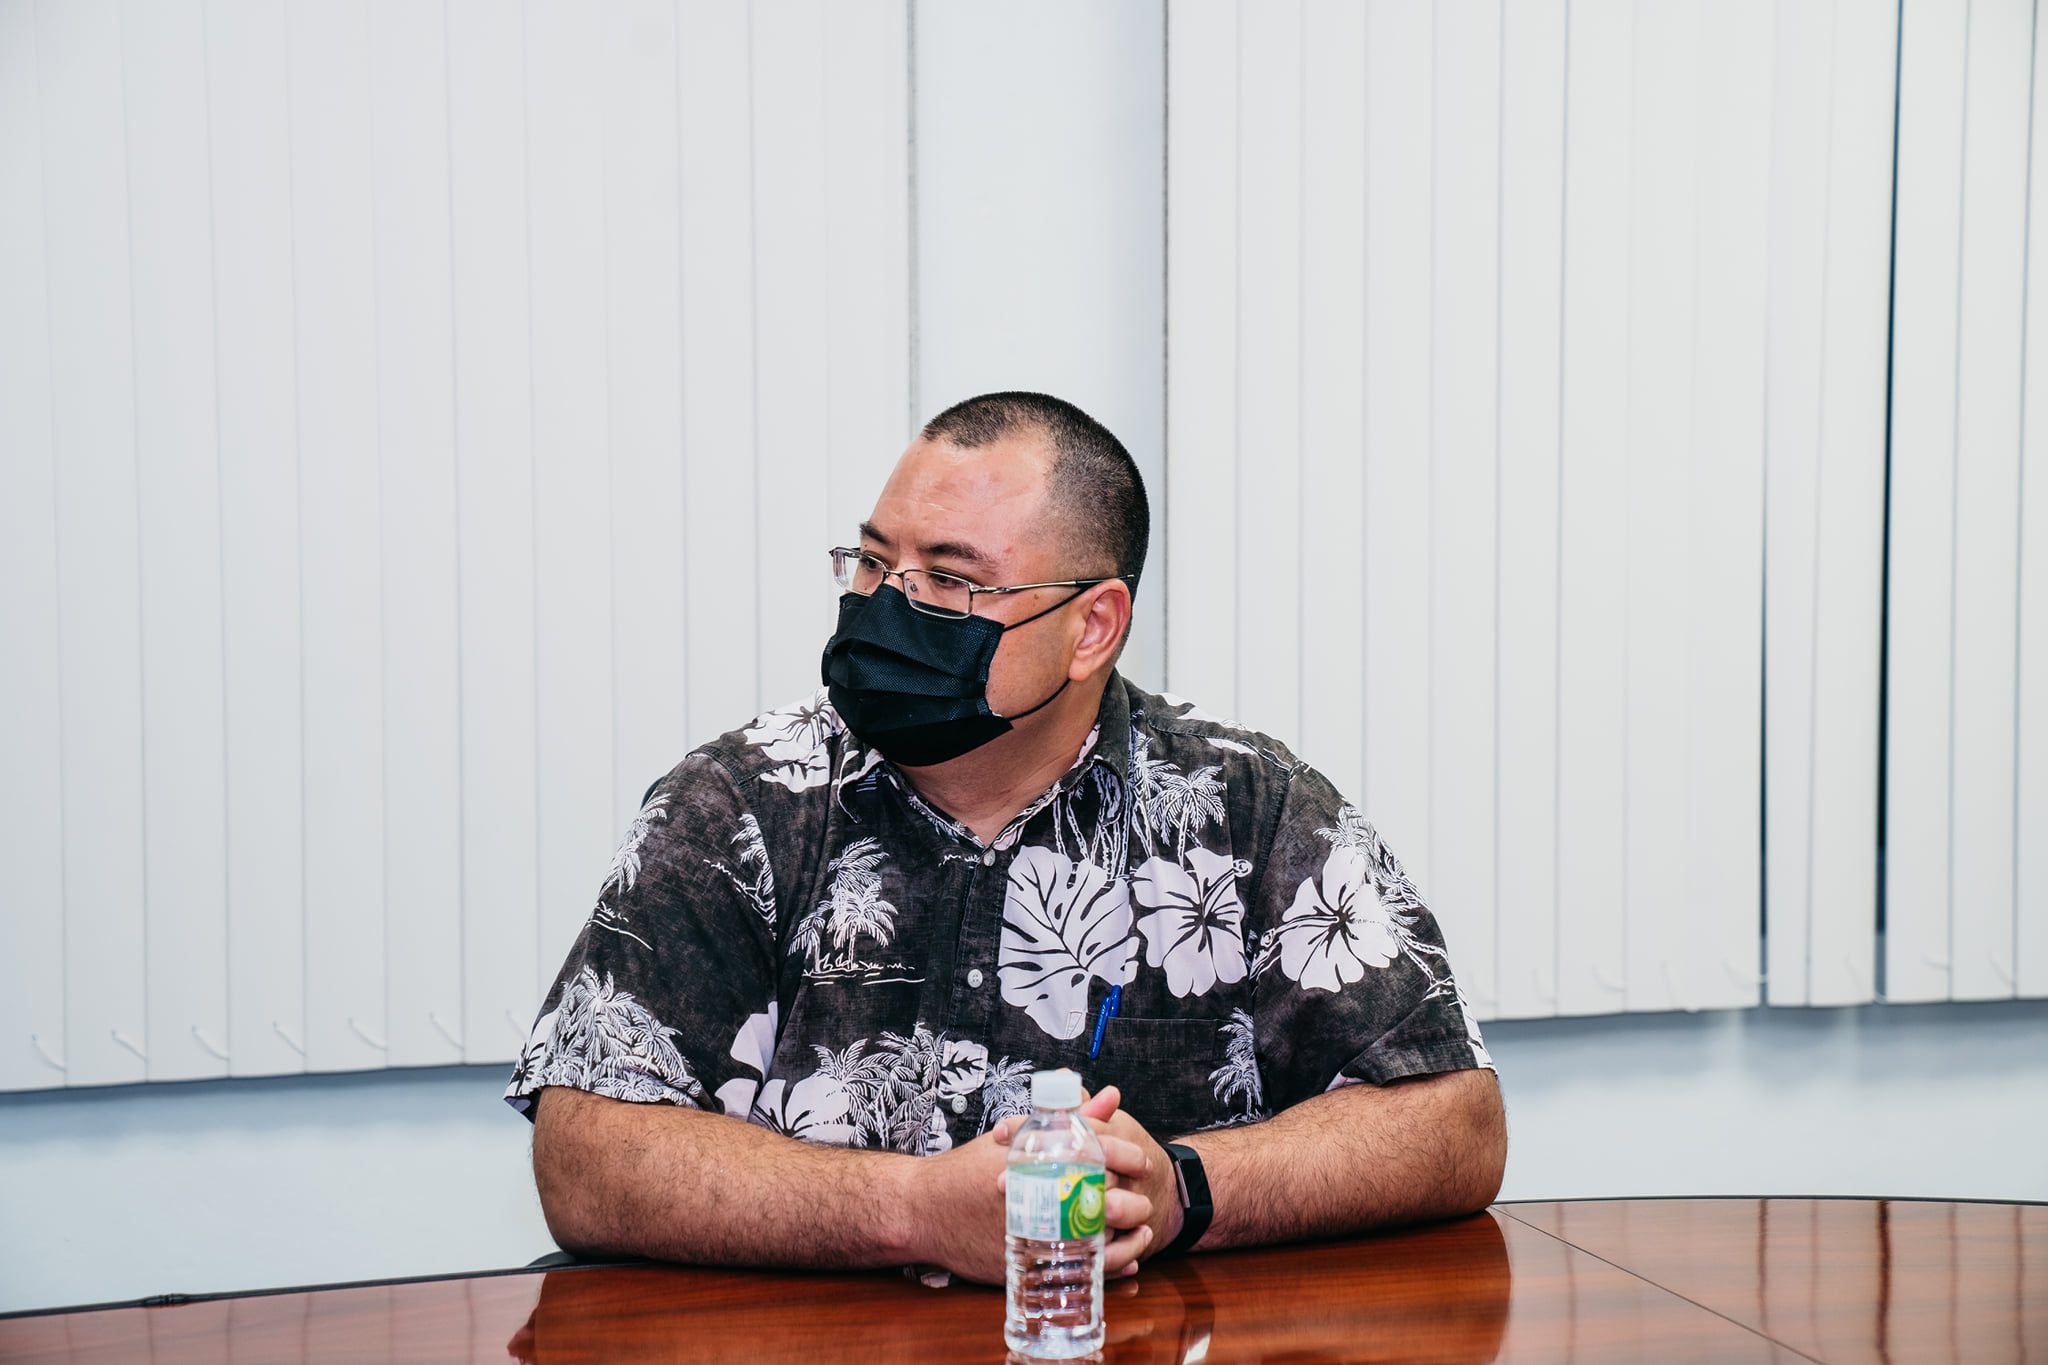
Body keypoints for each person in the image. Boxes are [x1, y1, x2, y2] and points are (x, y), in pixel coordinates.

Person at [507, 391, 1506, 1285]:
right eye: (870, 560)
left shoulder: (1247, 807)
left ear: (1090, 627)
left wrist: (1182, 1191)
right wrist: (912, 1212)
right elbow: (587, 1158)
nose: (884, 606)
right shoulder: (739, 804)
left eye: (949, 581)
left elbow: (1449, 1124)